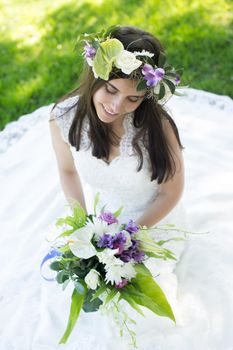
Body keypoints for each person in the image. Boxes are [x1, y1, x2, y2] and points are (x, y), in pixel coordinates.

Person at [1, 25, 233, 350]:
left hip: (153, 221)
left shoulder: (157, 130)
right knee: (70, 292)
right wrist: (83, 224)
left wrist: (128, 238)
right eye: (110, 89)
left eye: (133, 98)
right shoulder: (64, 119)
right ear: (95, 77)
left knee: (138, 311)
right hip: (104, 218)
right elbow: (68, 172)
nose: (117, 105)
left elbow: (171, 191)